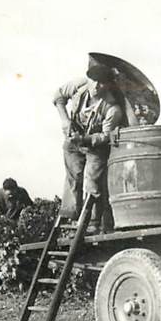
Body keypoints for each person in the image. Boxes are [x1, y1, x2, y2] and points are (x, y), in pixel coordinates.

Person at [52, 56, 127, 231]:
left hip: (96, 146)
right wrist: (64, 120)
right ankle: (70, 217)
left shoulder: (112, 108)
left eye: (101, 83)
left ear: (107, 85)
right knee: (74, 178)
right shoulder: (79, 86)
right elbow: (58, 96)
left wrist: (85, 139)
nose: (96, 86)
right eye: (94, 81)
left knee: (91, 181)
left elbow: (106, 136)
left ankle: (93, 222)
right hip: (74, 140)